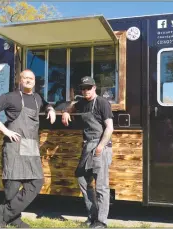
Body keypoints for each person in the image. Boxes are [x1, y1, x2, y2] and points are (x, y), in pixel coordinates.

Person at [0, 69, 56, 228]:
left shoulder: (37, 98)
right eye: (25, 78)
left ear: (34, 81)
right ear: (20, 81)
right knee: (12, 186)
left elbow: (47, 105)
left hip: (31, 145)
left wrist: (51, 110)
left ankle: (5, 213)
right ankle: (14, 219)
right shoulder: (11, 97)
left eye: (31, 78)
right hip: (15, 146)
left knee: (37, 181)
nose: (29, 81)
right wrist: (6, 130)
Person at [61, 76, 114, 228]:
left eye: (88, 88)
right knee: (82, 179)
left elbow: (109, 128)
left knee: (101, 185)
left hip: (100, 146)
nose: (86, 91)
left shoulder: (102, 103)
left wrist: (100, 146)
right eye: (83, 88)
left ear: (94, 88)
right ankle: (93, 217)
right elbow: (72, 105)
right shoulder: (82, 103)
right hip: (87, 146)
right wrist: (66, 111)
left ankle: (101, 222)